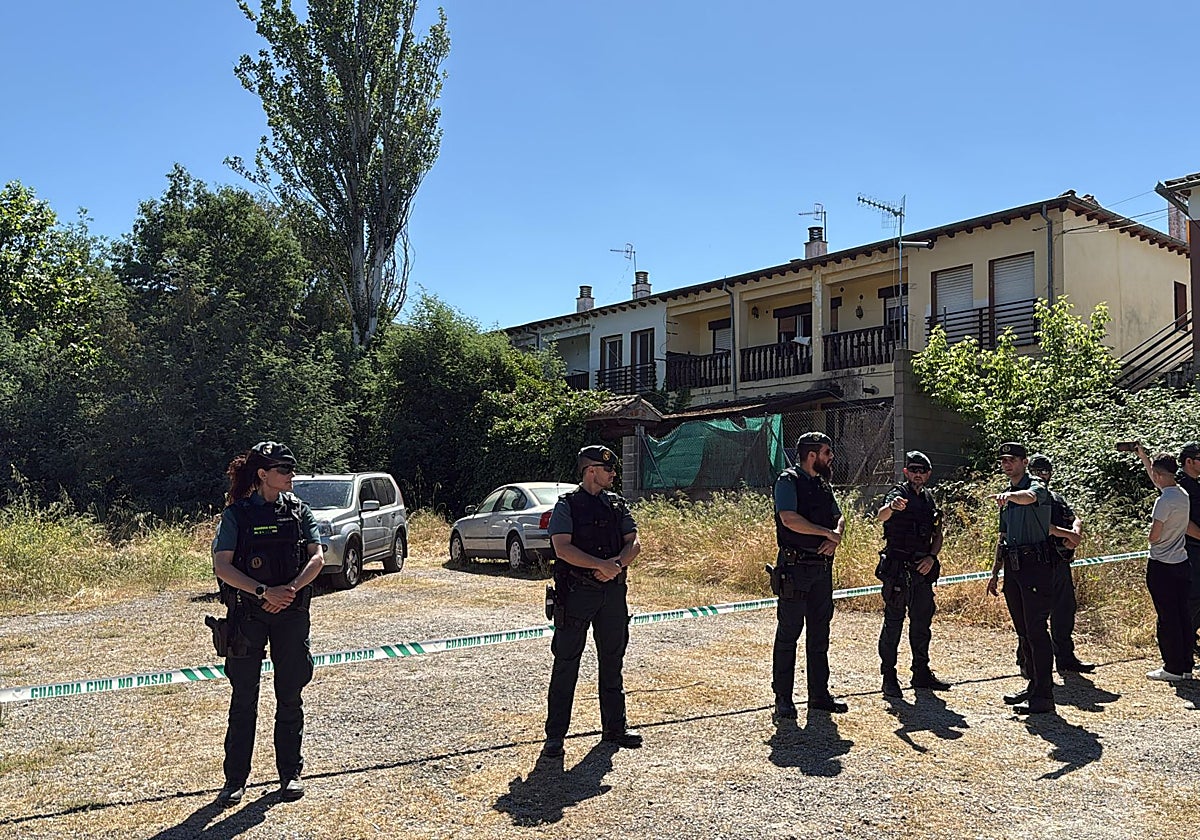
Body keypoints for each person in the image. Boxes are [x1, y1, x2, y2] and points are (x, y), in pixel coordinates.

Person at [212, 441, 325, 805]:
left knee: (290, 695)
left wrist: (289, 590)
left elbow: (317, 557)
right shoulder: (238, 515)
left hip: (291, 612)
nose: (292, 475)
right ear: (263, 474)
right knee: (244, 699)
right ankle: (235, 781)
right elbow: (222, 565)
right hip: (248, 614)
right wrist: (263, 592)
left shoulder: (298, 511)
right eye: (284, 469)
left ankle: (290, 774)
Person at [542, 444, 642, 758]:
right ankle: (555, 736)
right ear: (590, 471)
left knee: (612, 660)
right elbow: (562, 548)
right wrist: (599, 565)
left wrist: (617, 564)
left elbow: (634, 542)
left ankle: (615, 728)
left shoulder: (616, 504)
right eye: (607, 469)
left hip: (612, 593)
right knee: (566, 662)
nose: (613, 473)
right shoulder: (568, 506)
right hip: (577, 593)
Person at [770, 431, 848, 717]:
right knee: (789, 633)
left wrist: (836, 534)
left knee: (820, 634)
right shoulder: (788, 481)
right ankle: (783, 699)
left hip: (821, 570)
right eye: (827, 452)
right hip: (795, 568)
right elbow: (788, 518)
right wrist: (825, 532)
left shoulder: (822, 484)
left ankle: (819, 695)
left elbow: (838, 515)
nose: (831, 458)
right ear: (812, 455)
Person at [986, 442, 1056, 714]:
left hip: (1035, 566)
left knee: (1037, 630)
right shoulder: (1009, 494)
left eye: (1012, 460)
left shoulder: (1035, 486)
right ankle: (1032, 685)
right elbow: (1002, 538)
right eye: (1004, 460)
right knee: (1023, 632)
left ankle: (1044, 695)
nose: (1007, 464)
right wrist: (994, 573)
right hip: (1013, 567)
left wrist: (1011, 497)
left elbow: (1030, 496)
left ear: (1024, 462)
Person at [875, 450, 950, 698]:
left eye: (922, 470)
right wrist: (892, 507)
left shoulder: (929, 501)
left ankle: (921, 673)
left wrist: (931, 557)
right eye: (913, 470)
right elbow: (882, 515)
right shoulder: (899, 494)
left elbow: (937, 535)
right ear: (906, 472)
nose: (917, 474)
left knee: (922, 624)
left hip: (921, 571)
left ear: (928, 474)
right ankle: (889, 677)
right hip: (897, 571)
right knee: (893, 624)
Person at [1027, 453, 1095, 674]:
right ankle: (1028, 663)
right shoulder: (1026, 498)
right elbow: (1042, 528)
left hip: (1059, 562)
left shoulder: (1056, 498)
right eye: (1037, 472)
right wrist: (1066, 534)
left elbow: (1074, 517)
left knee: (1065, 611)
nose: (1042, 476)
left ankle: (1065, 658)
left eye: (1045, 472)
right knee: (1034, 616)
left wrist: (1075, 531)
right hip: (1036, 564)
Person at [1136, 446, 1195, 681]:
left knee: (1166, 616)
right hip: (1182, 561)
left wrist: (1148, 534)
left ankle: (1171, 667)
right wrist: (1143, 457)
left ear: (1159, 475)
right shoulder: (1182, 494)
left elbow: (1154, 535)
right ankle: (1185, 667)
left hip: (1161, 564)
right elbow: (1157, 476)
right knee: (1183, 615)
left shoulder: (1162, 501)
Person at [1173, 442, 1200, 657]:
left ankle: (1190, 638)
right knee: (1190, 598)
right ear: (1189, 461)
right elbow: (1183, 520)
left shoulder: (1195, 483)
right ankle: (1182, 643)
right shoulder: (1180, 485)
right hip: (1189, 549)